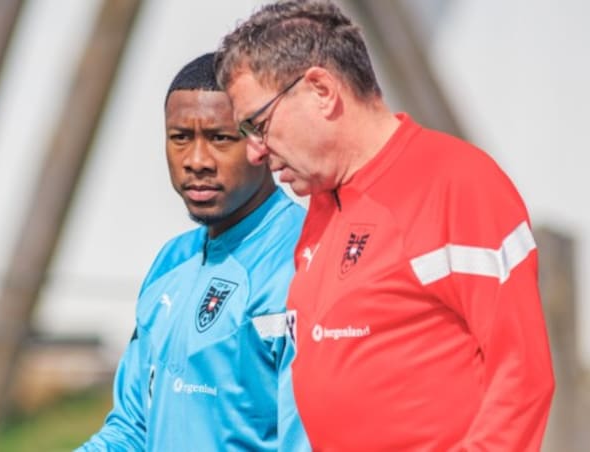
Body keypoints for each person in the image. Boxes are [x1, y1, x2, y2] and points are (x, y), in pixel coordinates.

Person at [214, 1, 555, 450]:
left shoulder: (456, 182)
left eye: (257, 124)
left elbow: (521, 376)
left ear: (321, 89)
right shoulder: (320, 203)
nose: (255, 151)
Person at [77, 52, 309, 451]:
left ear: (263, 143)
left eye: (220, 138)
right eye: (180, 138)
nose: (197, 161)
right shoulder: (172, 261)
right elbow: (132, 427)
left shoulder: (304, 261)